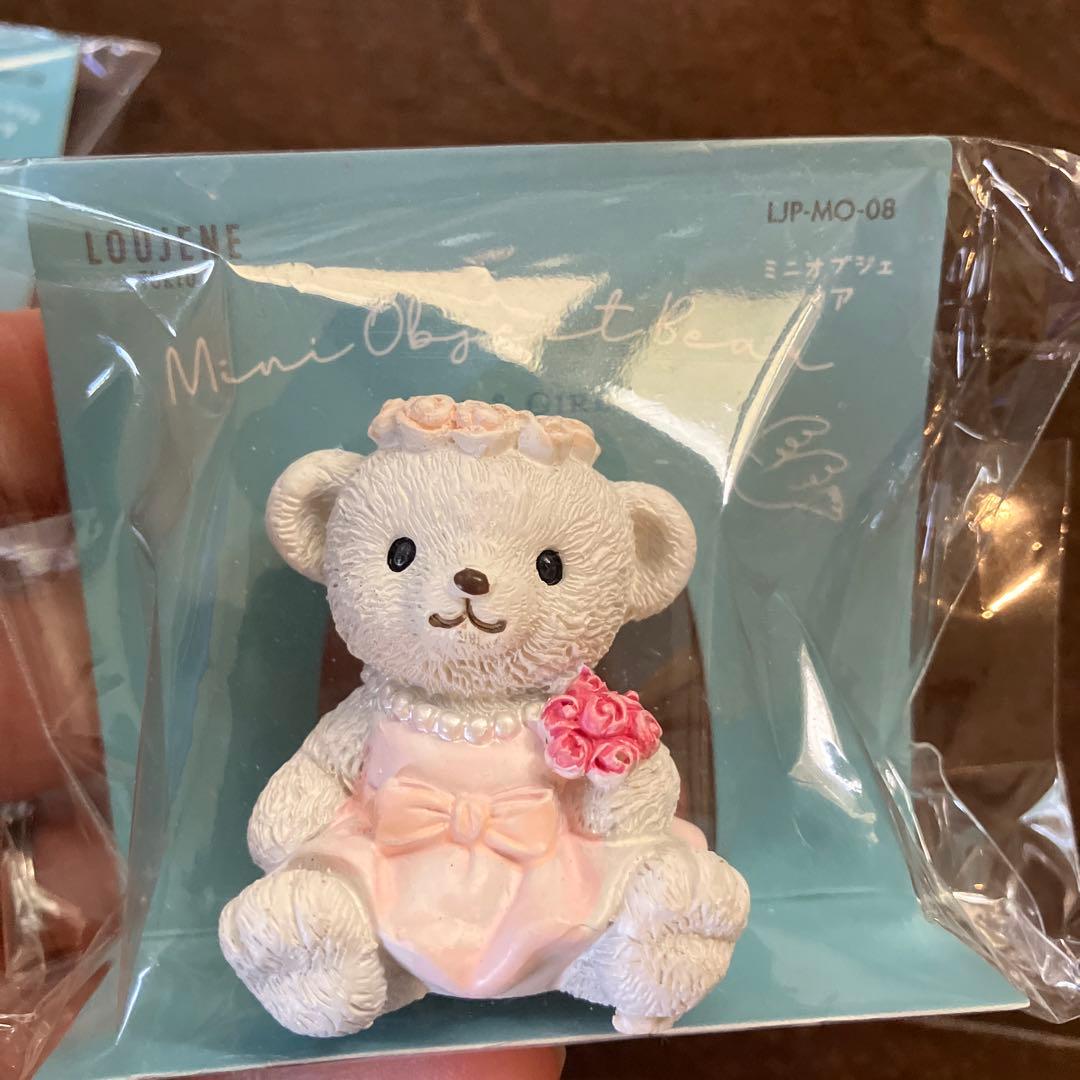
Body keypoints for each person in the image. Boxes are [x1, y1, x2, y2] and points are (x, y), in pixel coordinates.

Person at [0, 309, 563, 1080]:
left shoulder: (565, 716)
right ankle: (319, 959)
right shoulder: (366, 706)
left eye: (549, 567)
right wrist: (291, 839)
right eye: (402, 554)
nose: (469, 586)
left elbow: (625, 790)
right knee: (325, 899)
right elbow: (315, 778)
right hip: (389, 873)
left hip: (535, 880)